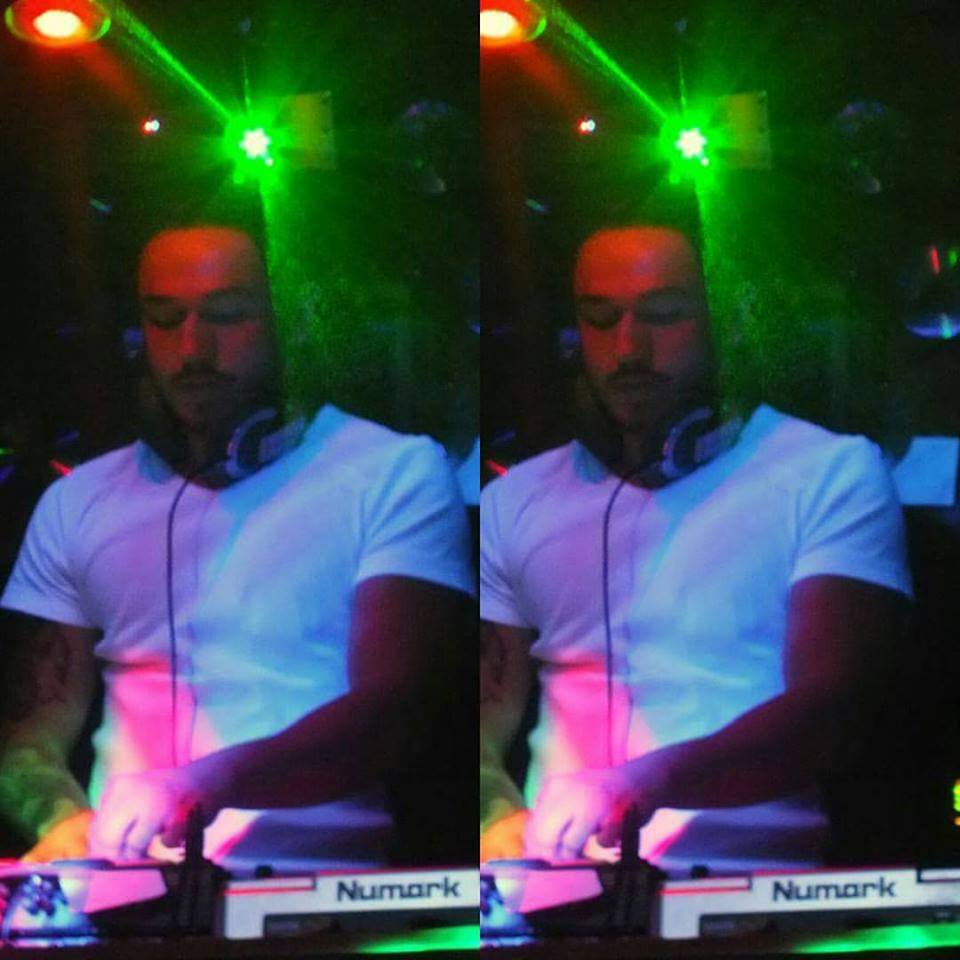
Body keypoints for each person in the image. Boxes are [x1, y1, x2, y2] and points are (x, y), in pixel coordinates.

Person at [0, 223, 474, 872]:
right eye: (165, 319)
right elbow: (27, 733)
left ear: (292, 319)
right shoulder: (76, 501)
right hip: (122, 885)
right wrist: (64, 822)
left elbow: (392, 711)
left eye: (226, 315)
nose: (192, 348)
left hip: (317, 882)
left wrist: (200, 786)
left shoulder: (393, 471)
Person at [480, 225, 912, 876]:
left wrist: (640, 784)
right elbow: (483, 710)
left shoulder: (829, 473)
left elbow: (830, 710)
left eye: (663, 315)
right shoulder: (516, 500)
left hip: (751, 886)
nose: (628, 348)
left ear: (728, 320)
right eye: (600, 319)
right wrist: (493, 810)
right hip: (555, 890)